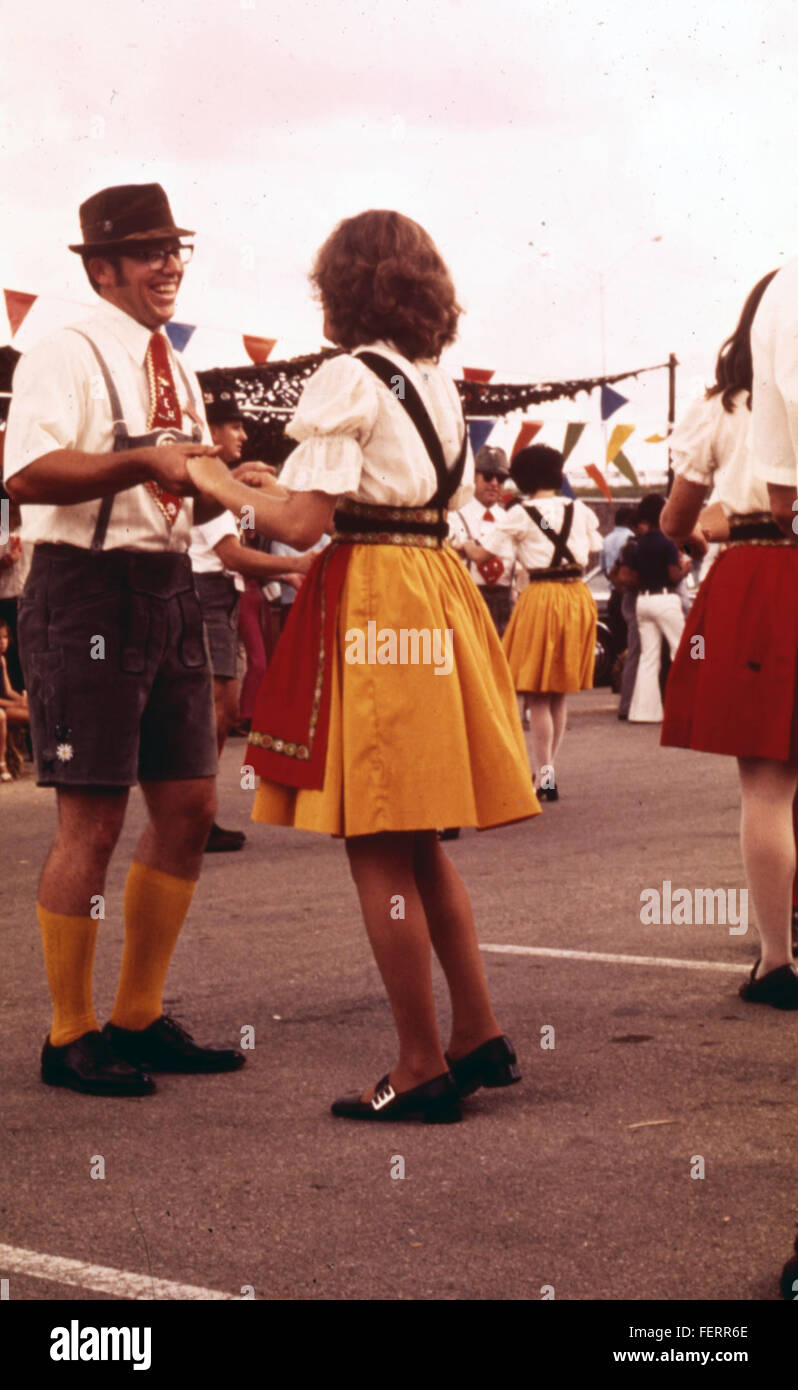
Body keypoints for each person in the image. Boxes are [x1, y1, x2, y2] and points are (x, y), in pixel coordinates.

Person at [188, 209, 540, 1123]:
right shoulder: (434, 379)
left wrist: (214, 482)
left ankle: (421, 1065)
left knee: (379, 832)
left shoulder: (347, 373)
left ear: (340, 287)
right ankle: (478, 1032)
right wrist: (277, 487)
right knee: (419, 837)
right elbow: (371, 494)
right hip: (432, 583)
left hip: (378, 596)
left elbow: (305, 528)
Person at [3, 183, 247, 1095]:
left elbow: (179, 473)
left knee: (186, 807)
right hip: (84, 593)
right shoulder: (61, 351)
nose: (168, 265)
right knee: (93, 819)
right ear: (100, 269)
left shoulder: (173, 364)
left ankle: (138, 1015)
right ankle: (69, 1034)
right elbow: (24, 473)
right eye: (147, 252)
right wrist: (139, 460)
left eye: (174, 249)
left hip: (169, 584)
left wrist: (228, 476)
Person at [660, 269, 798, 1005]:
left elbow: (676, 523)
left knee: (768, 785)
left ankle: (777, 960)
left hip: (757, 578)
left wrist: (710, 516)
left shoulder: (722, 408)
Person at [190, 386, 313, 851]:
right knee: (216, 710)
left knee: (222, 707)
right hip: (208, 591)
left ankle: (200, 814)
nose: (243, 433)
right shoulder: (210, 475)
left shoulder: (220, 478)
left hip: (222, 592)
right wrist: (294, 565)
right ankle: (195, 815)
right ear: (214, 429)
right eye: (235, 425)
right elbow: (231, 553)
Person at [463, 444, 600, 799]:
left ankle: (545, 776)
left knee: (536, 693)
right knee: (557, 691)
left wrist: (462, 544)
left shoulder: (521, 514)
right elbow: (593, 547)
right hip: (577, 595)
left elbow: (482, 555)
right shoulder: (580, 509)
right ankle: (548, 774)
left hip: (542, 597)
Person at [622, 494, 689, 723]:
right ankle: (687, 707)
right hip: (665, 599)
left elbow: (631, 577)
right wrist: (685, 570)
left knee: (648, 658)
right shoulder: (667, 542)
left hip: (643, 601)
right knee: (684, 651)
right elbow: (673, 575)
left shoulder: (638, 545)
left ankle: (644, 712)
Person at [448, 445, 516, 635]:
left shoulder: (512, 517)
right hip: (467, 598)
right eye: (487, 476)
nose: (494, 483)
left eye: (501, 478)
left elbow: (544, 526)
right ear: (474, 477)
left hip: (504, 604)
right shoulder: (455, 515)